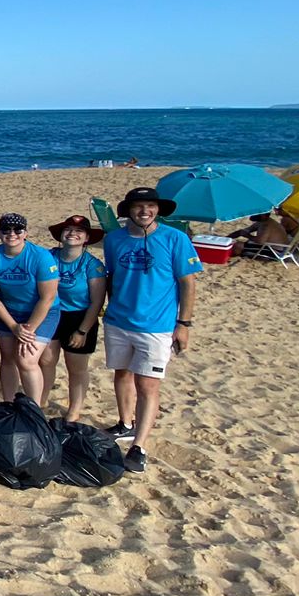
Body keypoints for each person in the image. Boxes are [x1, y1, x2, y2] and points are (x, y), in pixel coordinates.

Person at [102, 187, 202, 472]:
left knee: (147, 385)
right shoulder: (114, 240)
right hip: (118, 320)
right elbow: (112, 278)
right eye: (138, 206)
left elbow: (188, 283)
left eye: (150, 206)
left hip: (156, 326)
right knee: (122, 374)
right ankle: (125, 423)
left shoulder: (175, 239)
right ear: (128, 210)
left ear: (158, 209)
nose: (144, 211)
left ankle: (139, 446)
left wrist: (184, 324)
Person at [0, 213, 61, 405]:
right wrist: (13, 325)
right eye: (6, 230)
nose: (12, 234)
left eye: (18, 230)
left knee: (26, 359)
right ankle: (9, 404)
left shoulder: (41, 256)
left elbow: (48, 297)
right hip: (9, 310)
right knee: (8, 357)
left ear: (25, 233)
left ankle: (34, 408)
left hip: (42, 311)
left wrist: (28, 329)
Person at [43, 215, 107, 421]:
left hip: (80, 317)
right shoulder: (48, 256)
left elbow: (96, 302)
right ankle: (41, 402)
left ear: (87, 238)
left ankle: (74, 410)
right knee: (46, 360)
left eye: (79, 231)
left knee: (76, 367)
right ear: (61, 235)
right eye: (68, 230)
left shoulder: (92, 264)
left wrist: (82, 331)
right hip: (52, 314)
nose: (72, 234)